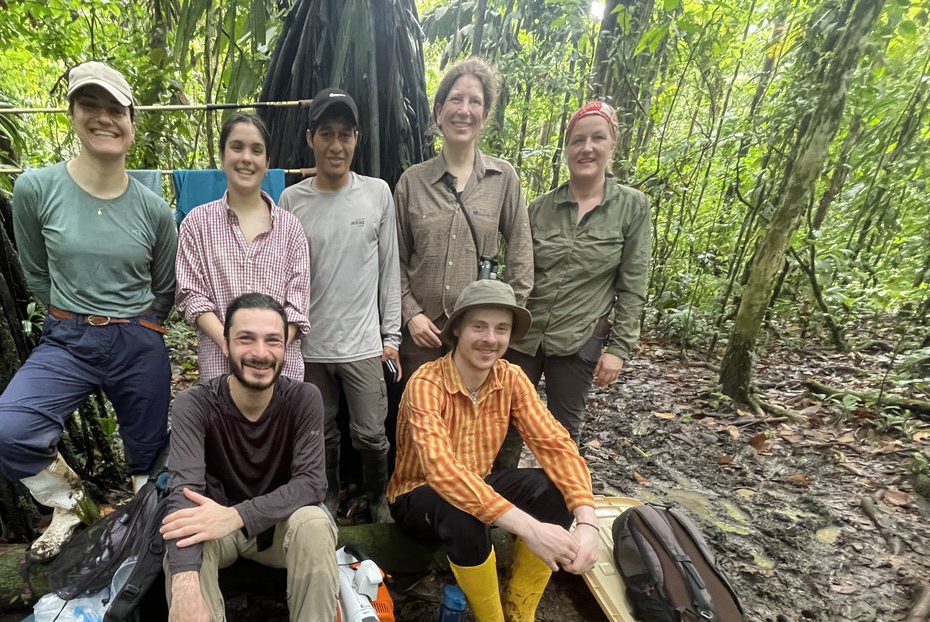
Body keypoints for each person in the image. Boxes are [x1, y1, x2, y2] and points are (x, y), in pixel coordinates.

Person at [0, 62, 178, 560]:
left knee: (149, 453)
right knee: (9, 432)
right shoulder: (36, 189)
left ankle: (141, 532)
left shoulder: (153, 208)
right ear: (72, 114)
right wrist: (71, 312)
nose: (104, 118)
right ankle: (70, 502)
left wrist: (148, 325)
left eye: (116, 109)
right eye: (90, 106)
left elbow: (164, 284)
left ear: (132, 123)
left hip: (137, 339)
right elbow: (35, 270)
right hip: (68, 338)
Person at [387, 281, 599, 622]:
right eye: (479, 327)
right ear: (458, 332)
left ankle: (521, 614)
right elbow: (442, 471)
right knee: (462, 508)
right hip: (419, 496)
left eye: (501, 329)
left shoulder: (511, 379)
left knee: (552, 488)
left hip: (478, 487)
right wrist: (529, 528)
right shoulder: (426, 383)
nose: (490, 339)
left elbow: (555, 444)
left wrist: (587, 520)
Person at [161, 293, 339, 622]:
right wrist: (184, 587)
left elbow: (310, 484)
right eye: (246, 338)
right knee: (183, 540)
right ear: (226, 344)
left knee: (314, 522)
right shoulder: (196, 403)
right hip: (214, 530)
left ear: (286, 348)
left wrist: (236, 515)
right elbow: (181, 496)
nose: (259, 352)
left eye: (272, 340)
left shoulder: (302, 398)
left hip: (272, 532)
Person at [278, 87, 400, 521]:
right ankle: (327, 496)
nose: (336, 145)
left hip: (364, 343)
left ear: (357, 138)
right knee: (321, 429)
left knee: (370, 433)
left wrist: (392, 337)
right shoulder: (292, 200)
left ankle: (378, 497)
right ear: (310, 138)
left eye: (345, 134)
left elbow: (390, 269)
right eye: (326, 133)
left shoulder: (378, 193)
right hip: (310, 344)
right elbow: (284, 275)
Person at [505, 101, 651, 449]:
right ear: (567, 148)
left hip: (578, 338)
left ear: (611, 143)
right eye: (577, 140)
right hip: (525, 336)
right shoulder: (540, 208)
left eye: (597, 138)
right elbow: (518, 272)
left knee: (562, 434)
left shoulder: (632, 207)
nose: (586, 148)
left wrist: (618, 349)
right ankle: (498, 497)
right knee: (504, 423)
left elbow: (632, 285)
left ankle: (559, 500)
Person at [393, 57, 533, 382]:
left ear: (484, 117)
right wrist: (411, 315)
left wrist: (499, 323)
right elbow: (394, 261)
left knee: (472, 427)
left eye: (475, 102)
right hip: (421, 338)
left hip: (477, 341)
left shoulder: (503, 179)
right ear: (439, 111)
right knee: (418, 424)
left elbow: (522, 256)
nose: (464, 110)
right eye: (455, 99)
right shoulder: (412, 182)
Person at [175, 113, 312, 382]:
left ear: (267, 162)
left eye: (256, 150)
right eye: (237, 147)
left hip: (281, 372)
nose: (246, 158)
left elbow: (297, 307)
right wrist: (230, 344)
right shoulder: (197, 223)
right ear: (223, 156)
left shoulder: (290, 228)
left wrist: (270, 351)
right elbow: (191, 296)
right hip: (219, 367)